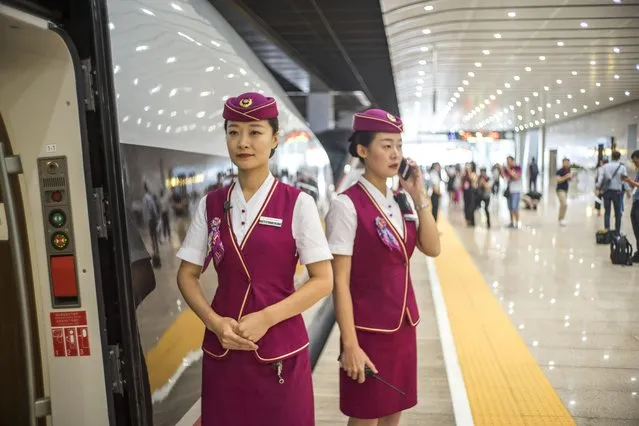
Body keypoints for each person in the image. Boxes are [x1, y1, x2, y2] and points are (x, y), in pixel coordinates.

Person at [175, 92, 333, 426]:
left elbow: (323, 280)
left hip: (281, 351)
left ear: (275, 139)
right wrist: (214, 322)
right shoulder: (211, 204)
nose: (243, 142)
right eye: (234, 132)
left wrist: (266, 318)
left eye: (255, 132)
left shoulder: (297, 203)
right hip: (224, 348)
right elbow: (186, 275)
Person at [326, 108, 441, 426]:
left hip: (403, 326)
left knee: (393, 413)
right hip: (367, 332)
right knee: (366, 416)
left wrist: (420, 197)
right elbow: (340, 282)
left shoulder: (401, 201)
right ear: (363, 150)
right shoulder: (346, 205)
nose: (395, 154)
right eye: (386, 145)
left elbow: (432, 247)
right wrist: (349, 344)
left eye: (399, 146)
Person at [596, 150, 627, 235]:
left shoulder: (605, 166)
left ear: (611, 157)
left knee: (607, 212)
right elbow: (624, 180)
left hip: (607, 192)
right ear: (619, 158)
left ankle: (607, 231)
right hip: (618, 192)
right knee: (618, 213)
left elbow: (600, 178)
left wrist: (598, 187)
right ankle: (617, 232)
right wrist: (627, 190)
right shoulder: (622, 167)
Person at [622, 150, 639, 263]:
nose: (635, 164)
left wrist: (631, 182)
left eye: (636, 161)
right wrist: (629, 182)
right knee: (636, 228)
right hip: (636, 201)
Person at [502, 156, 523, 228]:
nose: (508, 162)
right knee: (510, 207)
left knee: (515, 207)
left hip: (516, 191)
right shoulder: (507, 169)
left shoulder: (518, 168)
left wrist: (508, 170)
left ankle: (517, 222)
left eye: (509, 161)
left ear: (513, 161)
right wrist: (501, 169)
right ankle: (511, 222)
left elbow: (516, 177)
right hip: (509, 191)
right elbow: (504, 177)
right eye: (507, 161)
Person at [556, 158, 574, 226]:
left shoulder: (568, 170)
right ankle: (561, 219)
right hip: (560, 190)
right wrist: (566, 177)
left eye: (568, 162)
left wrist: (570, 177)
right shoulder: (560, 171)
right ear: (563, 163)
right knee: (564, 204)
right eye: (565, 162)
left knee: (563, 205)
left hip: (565, 190)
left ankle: (561, 218)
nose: (567, 164)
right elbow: (558, 180)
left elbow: (569, 180)